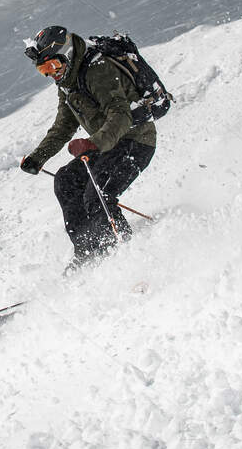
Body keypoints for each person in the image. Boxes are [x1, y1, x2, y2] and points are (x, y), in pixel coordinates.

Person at [19, 25, 157, 269]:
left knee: (98, 195)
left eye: (52, 66)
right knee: (66, 180)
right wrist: (38, 157)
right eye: (43, 70)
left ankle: (125, 258)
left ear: (68, 54)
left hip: (135, 141)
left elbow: (121, 115)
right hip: (106, 146)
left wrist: (92, 142)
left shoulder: (97, 70)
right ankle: (88, 252)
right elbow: (63, 126)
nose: (50, 74)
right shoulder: (68, 83)